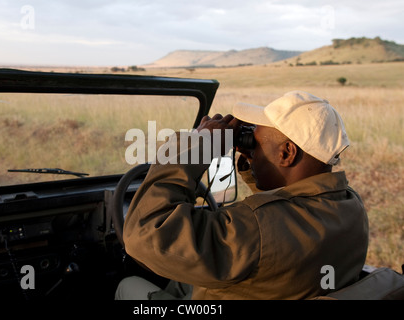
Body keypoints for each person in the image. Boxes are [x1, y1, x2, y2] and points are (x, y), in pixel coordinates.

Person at [115, 90, 369, 300]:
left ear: (286, 154)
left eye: (255, 143)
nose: (251, 148)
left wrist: (198, 145)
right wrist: (256, 159)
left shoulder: (253, 229)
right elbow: (283, 213)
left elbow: (144, 233)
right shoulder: (350, 205)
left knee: (128, 286)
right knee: (181, 282)